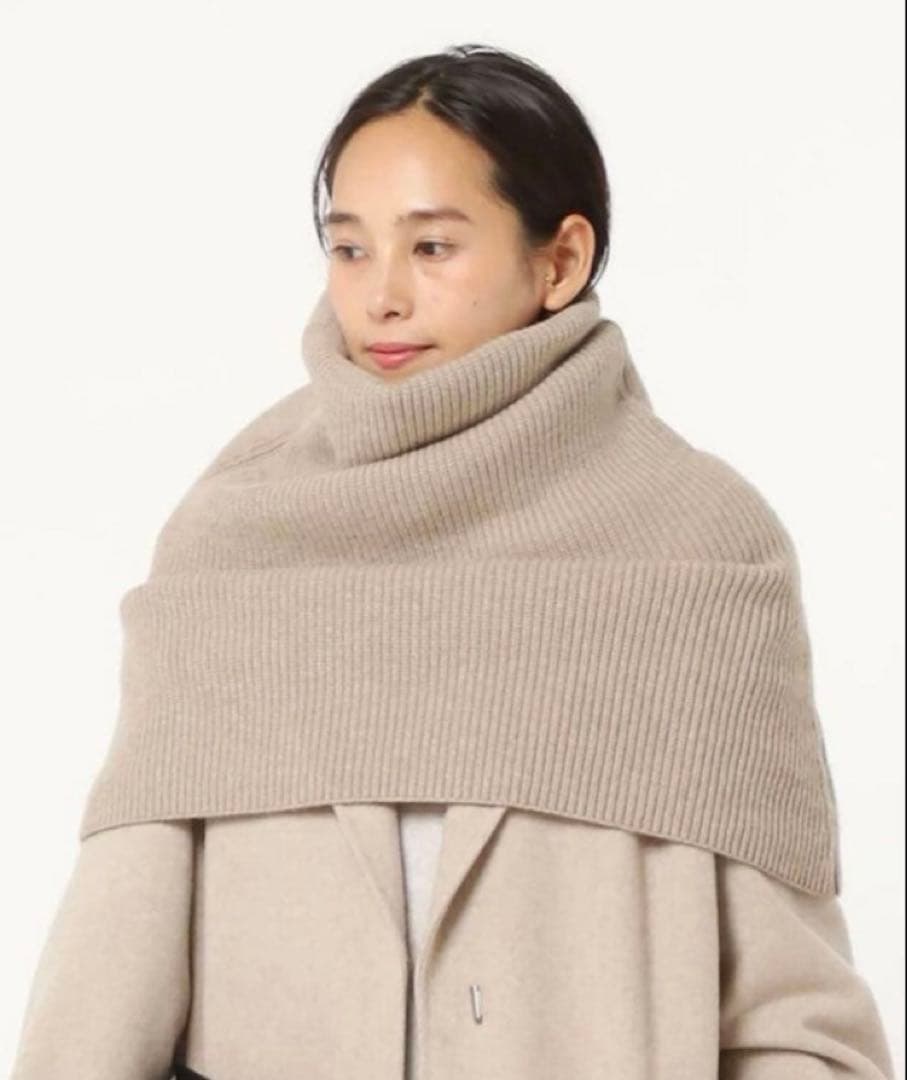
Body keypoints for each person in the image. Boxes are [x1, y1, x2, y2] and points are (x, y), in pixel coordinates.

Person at [8, 43, 895, 1080]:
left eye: (431, 247)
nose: (381, 295)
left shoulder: (699, 549)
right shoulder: (236, 538)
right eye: (349, 248)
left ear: (559, 261)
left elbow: (795, 1024)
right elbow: (107, 983)